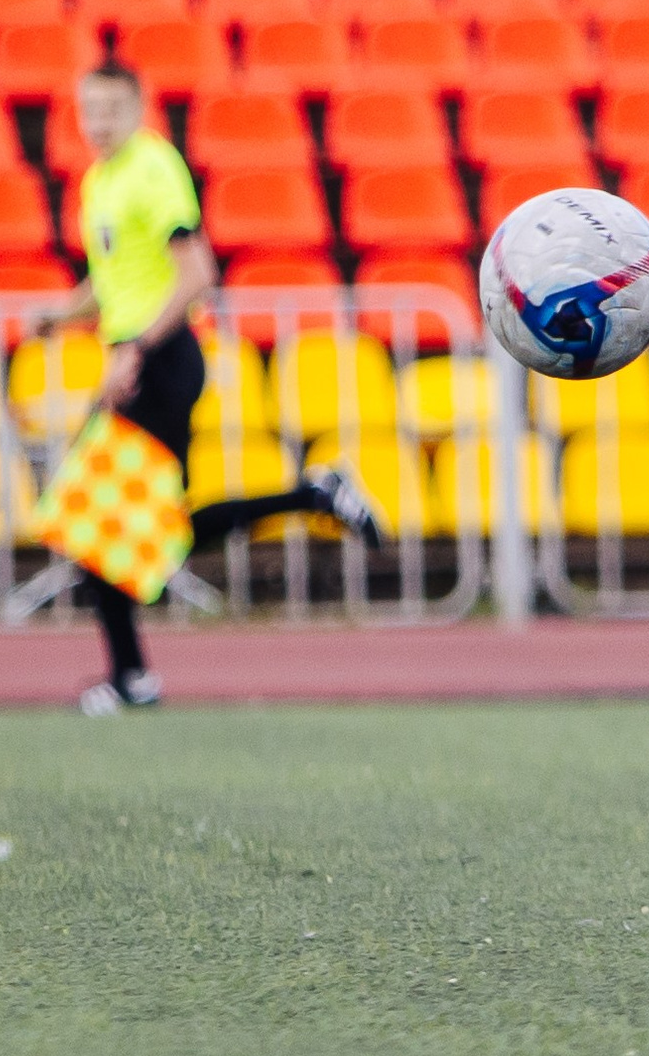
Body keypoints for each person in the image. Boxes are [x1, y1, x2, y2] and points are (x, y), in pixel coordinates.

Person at [37, 61, 387, 716]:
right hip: (135, 361)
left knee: (104, 525)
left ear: (139, 106)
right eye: (90, 109)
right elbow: (114, 278)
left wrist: (135, 348)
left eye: (112, 107)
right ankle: (314, 493)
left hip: (160, 360)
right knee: (123, 527)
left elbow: (196, 272)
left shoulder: (153, 168)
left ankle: (133, 676)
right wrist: (63, 314)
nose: (100, 121)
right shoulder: (98, 180)